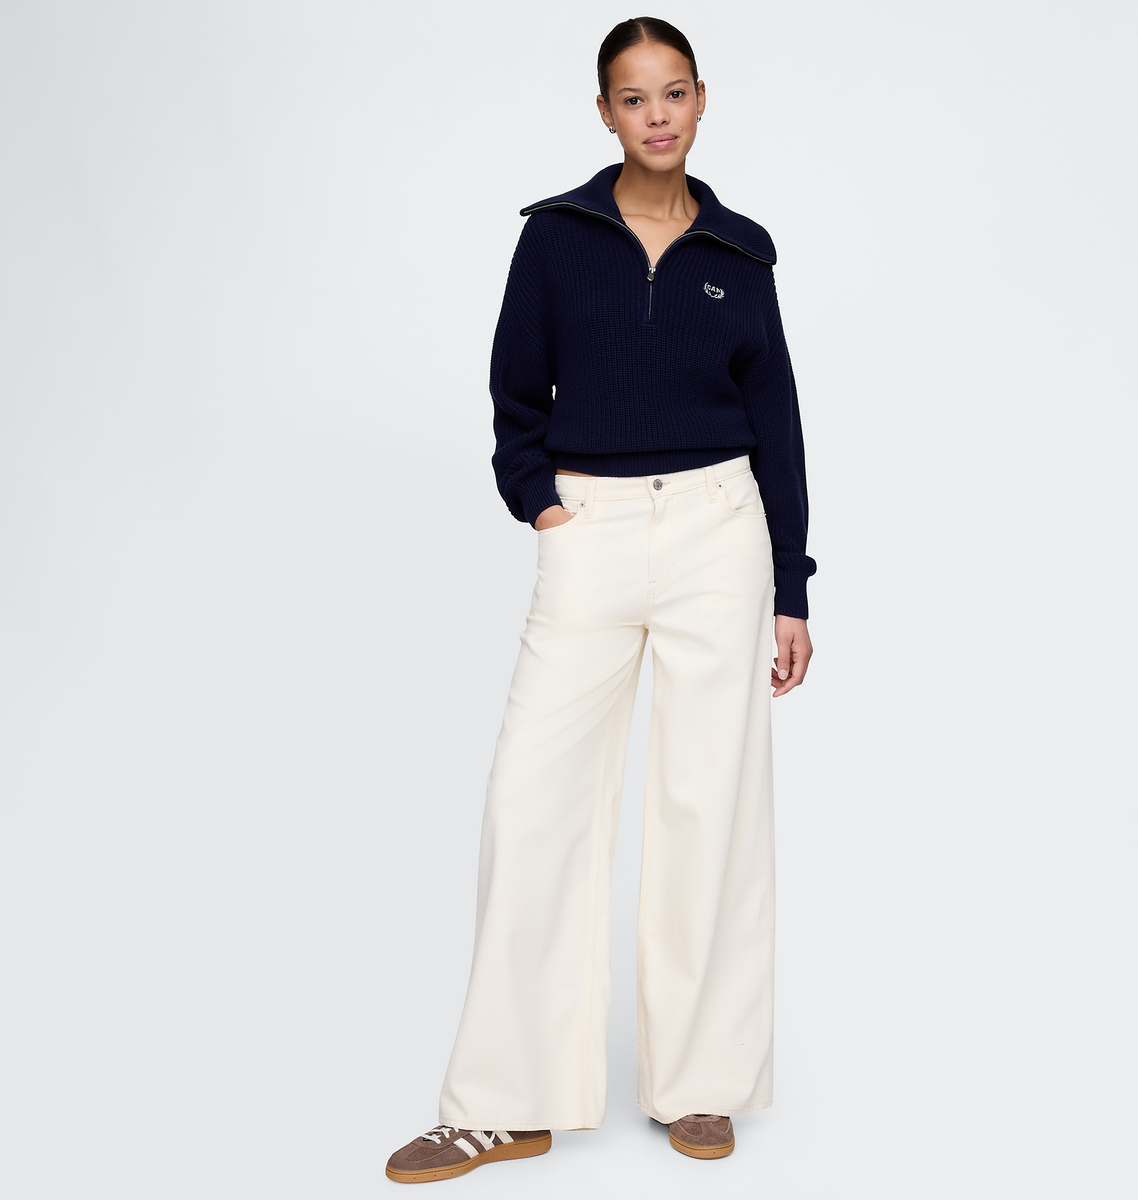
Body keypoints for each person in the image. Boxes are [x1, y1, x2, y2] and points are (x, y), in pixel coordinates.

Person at [385, 16, 816, 1184]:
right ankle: (504, 1101)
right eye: (635, 97)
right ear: (605, 112)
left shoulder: (742, 251)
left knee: (709, 805)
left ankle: (702, 1083)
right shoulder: (556, 239)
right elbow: (512, 390)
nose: (657, 115)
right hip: (592, 531)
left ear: (702, 100)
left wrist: (791, 585)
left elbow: (776, 421)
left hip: (720, 531)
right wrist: (541, 503)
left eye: (674, 93)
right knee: (532, 799)